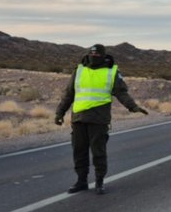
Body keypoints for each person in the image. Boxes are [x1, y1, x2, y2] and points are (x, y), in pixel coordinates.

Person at [55, 44, 148, 195]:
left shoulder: (111, 72)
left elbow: (122, 93)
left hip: (99, 119)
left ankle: (99, 181)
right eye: (92, 54)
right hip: (78, 118)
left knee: (98, 152)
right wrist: (59, 113)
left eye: (97, 55)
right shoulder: (79, 70)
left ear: (103, 56)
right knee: (79, 152)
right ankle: (81, 181)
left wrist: (133, 107)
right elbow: (69, 94)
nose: (94, 57)